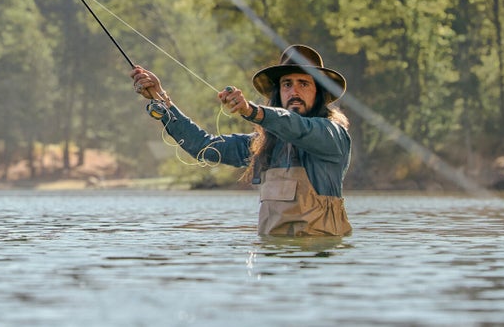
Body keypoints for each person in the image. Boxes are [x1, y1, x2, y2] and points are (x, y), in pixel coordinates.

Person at [131, 44, 352, 236]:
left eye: (304, 84)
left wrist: (251, 110)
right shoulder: (263, 144)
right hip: (273, 263)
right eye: (287, 84)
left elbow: (297, 127)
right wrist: (161, 99)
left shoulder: (332, 134)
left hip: (319, 266)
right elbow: (203, 146)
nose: (294, 91)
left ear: (319, 93)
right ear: (278, 92)